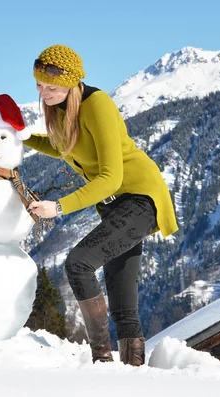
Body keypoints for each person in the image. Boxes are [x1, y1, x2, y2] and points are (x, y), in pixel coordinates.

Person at [25, 44, 178, 366]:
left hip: (140, 198)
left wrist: (60, 207)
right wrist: (20, 135)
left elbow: (110, 177)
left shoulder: (97, 104)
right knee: (121, 294)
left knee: (78, 264)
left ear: (71, 82)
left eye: (50, 87)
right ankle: (134, 370)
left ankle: (101, 360)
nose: (43, 93)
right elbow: (61, 147)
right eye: (39, 86)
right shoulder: (63, 109)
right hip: (114, 207)